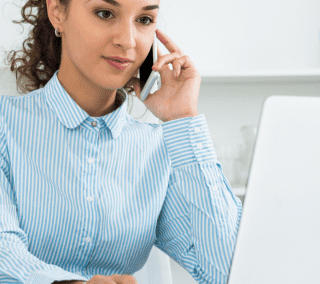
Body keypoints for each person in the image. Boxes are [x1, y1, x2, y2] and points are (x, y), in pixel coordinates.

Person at [0, 0, 243, 283]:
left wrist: (184, 120)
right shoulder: (5, 125)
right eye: (105, 13)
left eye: (144, 20)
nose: (127, 41)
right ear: (57, 12)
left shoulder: (157, 149)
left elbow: (231, 270)